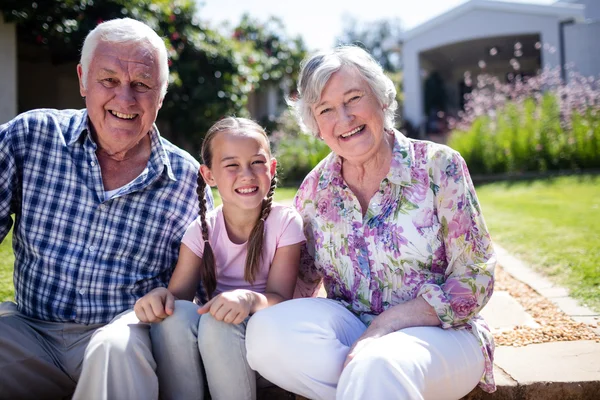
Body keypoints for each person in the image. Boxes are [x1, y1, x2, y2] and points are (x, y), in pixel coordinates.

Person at [245, 46, 497, 400]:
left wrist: (386, 326)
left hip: (444, 334)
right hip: (352, 333)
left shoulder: (439, 166)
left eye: (353, 98)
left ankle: (372, 379)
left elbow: (476, 277)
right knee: (264, 335)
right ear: (316, 126)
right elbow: (299, 286)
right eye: (326, 110)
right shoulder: (315, 191)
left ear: (381, 99)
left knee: (380, 364)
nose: (344, 118)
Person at [0, 18, 212, 400]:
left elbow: (200, 294)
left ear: (161, 93)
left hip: (122, 337)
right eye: (109, 80)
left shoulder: (186, 179)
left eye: (142, 85)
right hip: (29, 332)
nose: (125, 100)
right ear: (83, 79)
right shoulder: (30, 136)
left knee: (116, 348)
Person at [134, 116, 305, 400]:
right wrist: (159, 297)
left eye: (257, 162)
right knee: (174, 317)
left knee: (217, 323)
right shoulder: (201, 231)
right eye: (232, 165)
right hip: (219, 337)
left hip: (270, 329)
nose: (247, 174)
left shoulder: (285, 222)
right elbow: (178, 299)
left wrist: (248, 300)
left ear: (272, 168)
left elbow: (280, 298)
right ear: (209, 175)